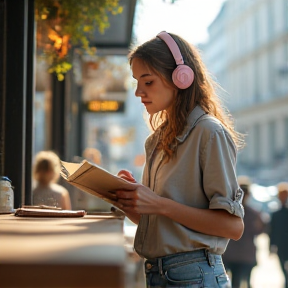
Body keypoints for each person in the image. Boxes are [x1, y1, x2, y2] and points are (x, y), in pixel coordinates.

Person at [114, 31, 245, 288]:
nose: (139, 91)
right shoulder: (157, 140)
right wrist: (132, 204)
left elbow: (233, 227)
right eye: (136, 82)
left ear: (181, 78)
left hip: (194, 276)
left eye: (148, 82)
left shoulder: (209, 132)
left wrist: (160, 204)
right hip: (158, 274)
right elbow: (167, 224)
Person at [222, 175, 265, 288]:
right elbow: (260, 230)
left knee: (231, 282)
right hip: (240, 254)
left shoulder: (229, 212)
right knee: (236, 282)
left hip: (232, 253)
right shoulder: (254, 213)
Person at [269, 181, 288, 288]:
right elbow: (272, 231)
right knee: (283, 269)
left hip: (283, 245)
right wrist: (271, 246)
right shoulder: (275, 214)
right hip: (281, 246)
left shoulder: (277, 214)